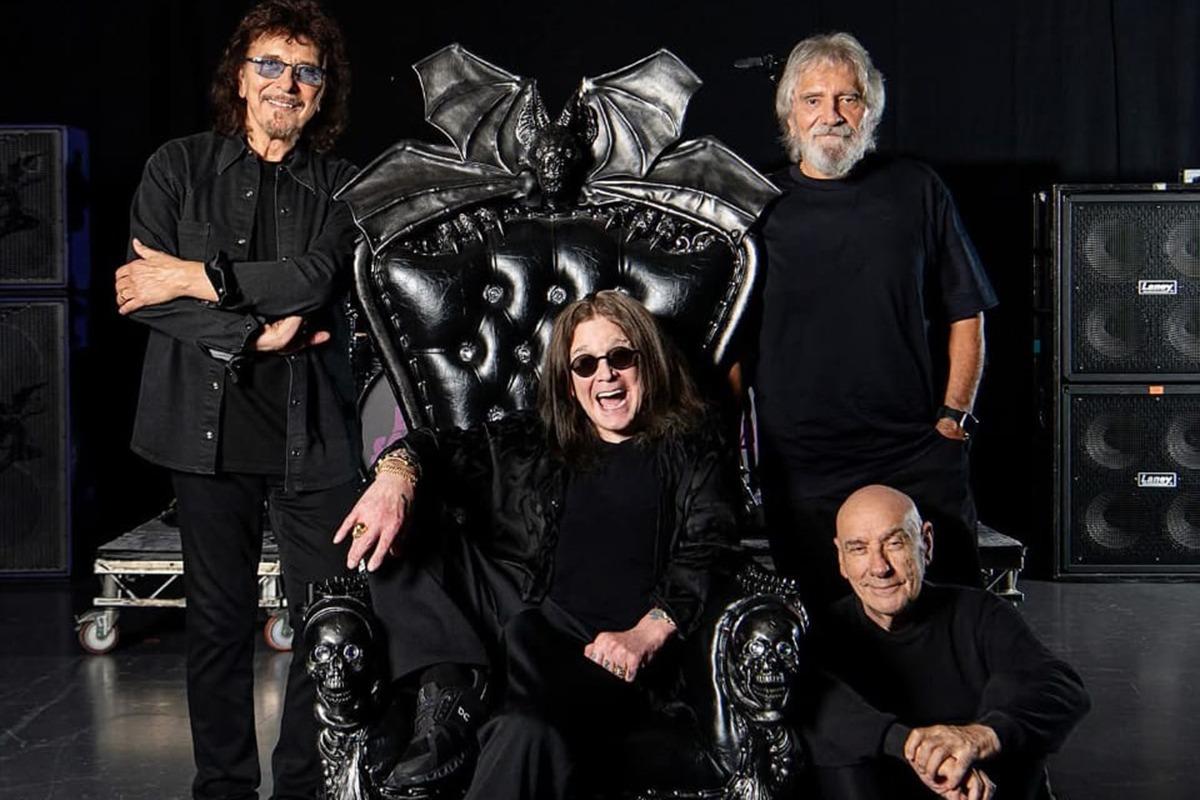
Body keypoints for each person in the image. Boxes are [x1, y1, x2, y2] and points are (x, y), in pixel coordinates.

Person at [335, 291, 743, 799]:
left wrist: (648, 631)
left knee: (523, 732)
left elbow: (711, 548)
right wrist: (395, 477)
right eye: (585, 364)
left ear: (647, 363)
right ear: (570, 383)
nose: (605, 375)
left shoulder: (693, 447)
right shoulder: (535, 440)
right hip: (523, 620)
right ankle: (453, 687)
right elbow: (441, 448)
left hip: (607, 653)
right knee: (394, 526)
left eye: (620, 357)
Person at [116, 2, 359, 797]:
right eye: (271, 65)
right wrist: (254, 335)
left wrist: (195, 276)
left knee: (327, 624)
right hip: (204, 435)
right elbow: (140, 295)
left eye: (307, 71)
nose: (287, 83)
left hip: (313, 435)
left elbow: (315, 278)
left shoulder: (343, 187)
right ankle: (222, 788)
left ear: (323, 91)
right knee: (217, 626)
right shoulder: (176, 167)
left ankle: (301, 786)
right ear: (241, 77)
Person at [748, 32, 999, 613]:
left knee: (950, 612)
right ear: (790, 112)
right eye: (814, 99)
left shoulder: (916, 190)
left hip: (915, 449)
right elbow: (733, 341)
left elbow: (967, 309)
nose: (831, 115)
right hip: (803, 462)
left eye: (849, 98)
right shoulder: (756, 203)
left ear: (870, 111)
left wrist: (954, 418)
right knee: (825, 627)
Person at [800, 485, 1089, 799]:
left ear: (926, 543)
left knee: (1013, 701)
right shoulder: (820, 631)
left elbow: (1059, 688)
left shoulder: (981, 614)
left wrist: (981, 737)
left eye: (895, 543)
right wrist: (915, 749)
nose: (880, 567)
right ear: (841, 559)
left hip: (983, 791)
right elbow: (815, 708)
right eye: (858, 548)